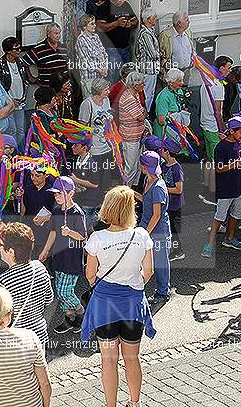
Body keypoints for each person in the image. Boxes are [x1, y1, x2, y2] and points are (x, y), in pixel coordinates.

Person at [82, 185, 156, 407]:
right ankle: (134, 402)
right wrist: (134, 284)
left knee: (108, 360)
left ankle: (110, 405)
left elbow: (90, 275)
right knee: (132, 358)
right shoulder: (142, 235)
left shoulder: (97, 238)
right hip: (133, 305)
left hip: (105, 306)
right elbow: (149, 271)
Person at [39, 176, 87, 333]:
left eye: (60, 193)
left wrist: (69, 232)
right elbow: (53, 232)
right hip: (58, 257)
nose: (57, 196)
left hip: (72, 259)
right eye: (55, 194)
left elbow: (82, 236)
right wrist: (45, 250)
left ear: (71, 193)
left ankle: (82, 313)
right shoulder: (56, 210)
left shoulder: (77, 213)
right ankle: (70, 319)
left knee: (64, 292)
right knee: (60, 292)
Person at [0, 221, 54, 345]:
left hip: (15, 343)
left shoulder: (1, 283)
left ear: (10, 251)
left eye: (0, 244)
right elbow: (49, 299)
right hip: (39, 337)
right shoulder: (40, 267)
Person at [202, 116, 241, 257]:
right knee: (220, 216)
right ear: (231, 131)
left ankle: (229, 238)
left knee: (236, 214)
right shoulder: (221, 147)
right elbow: (218, 168)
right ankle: (209, 243)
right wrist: (234, 164)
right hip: (226, 188)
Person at [138, 151, 171, 306]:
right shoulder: (147, 179)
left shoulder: (158, 187)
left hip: (157, 233)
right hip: (147, 228)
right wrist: (131, 193)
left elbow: (156, 215)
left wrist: (145, 233)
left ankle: (163, 293)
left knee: (160, 264)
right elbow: (146, 200)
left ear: (145, 166)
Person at [200, 55, 232, 192]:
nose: (230, 71)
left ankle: (207, 182)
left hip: (204, 123)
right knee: (216, 159)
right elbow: (218, 111)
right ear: (221, 68)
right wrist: (222, 128)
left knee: (209, 157)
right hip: (213, 126)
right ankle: (214, 188)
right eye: (228, 67)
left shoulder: (206, 81)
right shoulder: (218, 86)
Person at [78, 78, 114, 193]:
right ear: (98, 90)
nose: (108, 91)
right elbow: (82, 126)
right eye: (106, 89)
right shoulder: (87, 104)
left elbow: (108, 118)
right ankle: (93, 196)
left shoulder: (107, 100)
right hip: (93, 146)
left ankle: (103, 195)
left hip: (106, 144)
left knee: (106, 172)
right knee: (95, 173)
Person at [98, 0, 138, 83]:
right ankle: (110, 97)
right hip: (110, 48)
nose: (121, 1)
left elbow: (135, 21)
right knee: (111, 77)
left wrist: (130, 24)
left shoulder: (126, 5)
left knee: (126, 76)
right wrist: (117, 23)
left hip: (125, 47)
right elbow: (100, 28)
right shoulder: (104, 7)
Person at [0, 36, 30, 146]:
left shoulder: (21, 62)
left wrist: (24, 96)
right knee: (12, 130)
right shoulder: (0, 65)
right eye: (16, 49)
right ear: (8, 51)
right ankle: (12, 152)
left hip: (20, 101)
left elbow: (26, 80)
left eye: (19, 48)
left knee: (21, 130)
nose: (19, 51)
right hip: (8, 103)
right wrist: (9, 100)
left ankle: (21, 152)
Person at [119, 72, 149, 186]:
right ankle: (124, 192)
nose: (144, 85)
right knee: (130, 167)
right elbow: (141, 116)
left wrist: (143, 113)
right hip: (130, 137)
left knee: (136, 166)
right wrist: (143, 114)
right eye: (142, 83)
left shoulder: (134, 94)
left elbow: (142, 111)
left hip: (136, 136)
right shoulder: (128, 98)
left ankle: (132, 190)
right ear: (135, 85)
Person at [159, 138, 185, 262]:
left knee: (173, 229)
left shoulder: (176, 168)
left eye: (162, 149)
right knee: (168, 228)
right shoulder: (163, 165)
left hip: (175, 205)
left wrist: (163, 188)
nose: (160, 151)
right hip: (167, 204)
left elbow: (179, 189)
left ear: (167, 152)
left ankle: (178, 251)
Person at [22, 22, 69, 87]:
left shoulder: (63, 47)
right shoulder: (39, 49)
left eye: (59, 33)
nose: (58, 36)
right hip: (47, 88)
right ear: (48, 34)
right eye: (56, 33)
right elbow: (23, 62)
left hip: (63, 87)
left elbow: (68, 65)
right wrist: (30, 77)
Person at [70, 136, 101, 229]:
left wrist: (76, 180)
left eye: (76, 145)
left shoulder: (92, 163)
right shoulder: (79, 159)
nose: (72, 147)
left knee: (83, 226)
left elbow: (95, 184)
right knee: (87, 224)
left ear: (84, 147)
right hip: (81, 197)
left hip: (89, 200)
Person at [76, 14, 109, 97]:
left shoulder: (96, 37)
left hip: (100, 76)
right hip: (89, 78)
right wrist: (100, 70)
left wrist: (105, 66)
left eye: (94, 23)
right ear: (84, 26)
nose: (94, 26)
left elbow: (104, 53)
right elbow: (85, 61)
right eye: (91, 24)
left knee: (100, 100)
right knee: (90, 101)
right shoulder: (81, 40)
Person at [136, 8, 160, 111]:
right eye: (154, 17)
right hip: (147, 69)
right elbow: (153, 54)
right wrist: (160, 53)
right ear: (148, 19)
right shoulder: (145, 34)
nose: (156, 19)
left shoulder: (150, 31)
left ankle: (146, 113)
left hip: (151, 69)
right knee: (147, 94)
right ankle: (145, 114)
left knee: (150, 94)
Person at [158, 11, 193, 81]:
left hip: (186, 71)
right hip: (172, 74)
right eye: (186, 20)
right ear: (179, 23)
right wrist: (167, 67)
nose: (189, 22)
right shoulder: (165, 35)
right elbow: (160, 55)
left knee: (185, 90)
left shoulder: (188, 32)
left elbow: (192, 50)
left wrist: (192, 61)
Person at [153, 68, 185, 138]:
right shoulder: (163, 96)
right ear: (171, 82)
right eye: (179, 81)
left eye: (182, 80)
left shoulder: (179, 91)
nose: (182, 83)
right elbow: (161, 121)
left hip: (178, 129)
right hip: (166, 132)